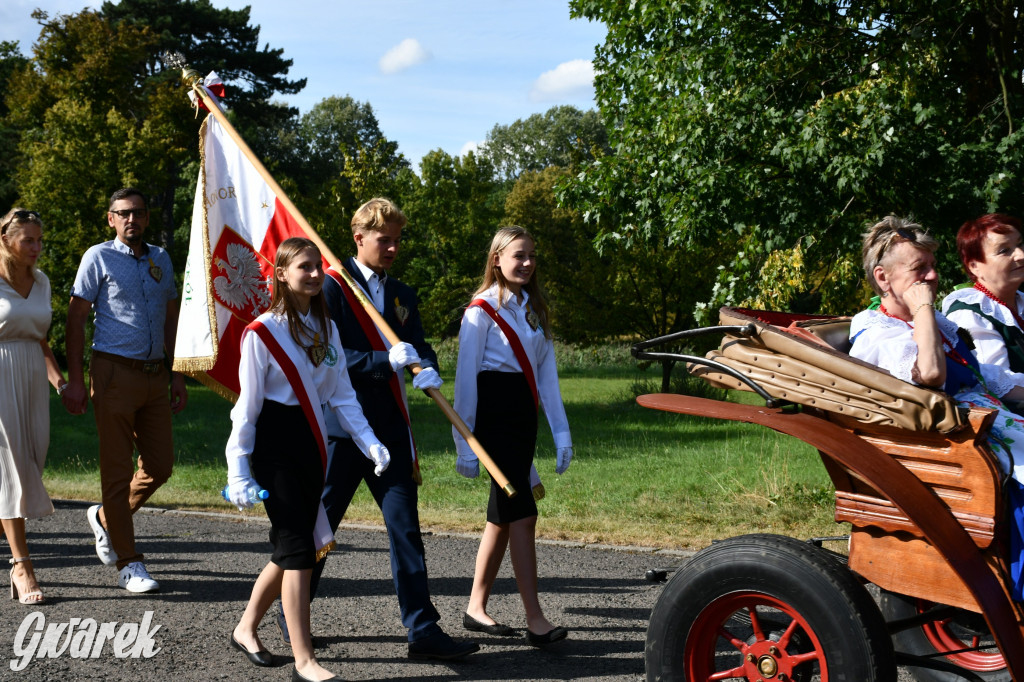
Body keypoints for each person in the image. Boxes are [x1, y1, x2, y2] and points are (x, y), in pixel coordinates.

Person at [288, 197, 478, 661]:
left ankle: (423, 630)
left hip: (390, 430)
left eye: (397, 240)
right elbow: (323, 354)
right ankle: (293, 617)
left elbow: (418, 345)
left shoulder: (402, 294)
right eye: (383, 240)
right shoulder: (330, 287)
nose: (392, 248)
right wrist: (381, 361)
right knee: (318, 529)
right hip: (341, 429)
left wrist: (427, 367)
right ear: (359, 238)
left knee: (405, 530)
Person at [225, 237, 390, 682]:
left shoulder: (327, 328)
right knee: (300, 550)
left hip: (312, 443)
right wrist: (237, 468)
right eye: (304, 266)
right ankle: (305, 660)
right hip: (274, 446)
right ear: (281, 274)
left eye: (318, 265)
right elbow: (247, 408)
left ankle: (245, 628)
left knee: (289, 548)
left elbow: (341, 395)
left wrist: (369, 441)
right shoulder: (262, 332)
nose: (316, 274)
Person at [849, 215, 1024, 599]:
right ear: (883, 278)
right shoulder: (877, 335)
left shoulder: (933, 323)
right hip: (954, 442)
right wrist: (923, 309)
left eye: (932, 266)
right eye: (919, 269)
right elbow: (929, 373)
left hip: (984, 421)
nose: (932, 277)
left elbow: (983, 375)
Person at [452, 225, 574, 645]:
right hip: (493, 419)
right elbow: (465, 381)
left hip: (523, 419)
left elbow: (547, 376)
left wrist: (561, 432)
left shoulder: (533, 309)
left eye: (532, 255)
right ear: (496, 259)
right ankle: (535, 619)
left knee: (501, 519)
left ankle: (475, 607)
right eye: (518, 255)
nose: (527, 263)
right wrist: (464, 445)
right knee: (523, 515)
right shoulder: (480, 311)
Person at [63, 188, 188, 593]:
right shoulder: (97, 257)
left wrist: (177, 373)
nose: (131, 219)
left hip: (155, 375)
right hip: (113, 372)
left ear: (147, 217)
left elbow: (171, 317)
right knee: (116, 472)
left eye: (138, 212)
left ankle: (105, 519)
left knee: (160, 466)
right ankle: (129, 563)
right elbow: (76, 319)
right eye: (123, 213)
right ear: (111, 218)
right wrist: (76, 380)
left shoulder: (161, 258)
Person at [0, 209, 65, 605]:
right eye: (28, 240)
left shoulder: (41, 282)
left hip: (32, 378)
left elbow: (40, 339)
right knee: (10, 471)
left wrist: (60, 382)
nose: (37, 247)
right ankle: (22, 565)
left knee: (32, 463)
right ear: (5, 239)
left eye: (39, 240)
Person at [942, 214, 1024, 406]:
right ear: (974, 266)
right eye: (1004, 250)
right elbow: (995, 385)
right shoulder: (970, 313)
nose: (1021, 255)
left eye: (1020, 244)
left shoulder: (1018, 300)